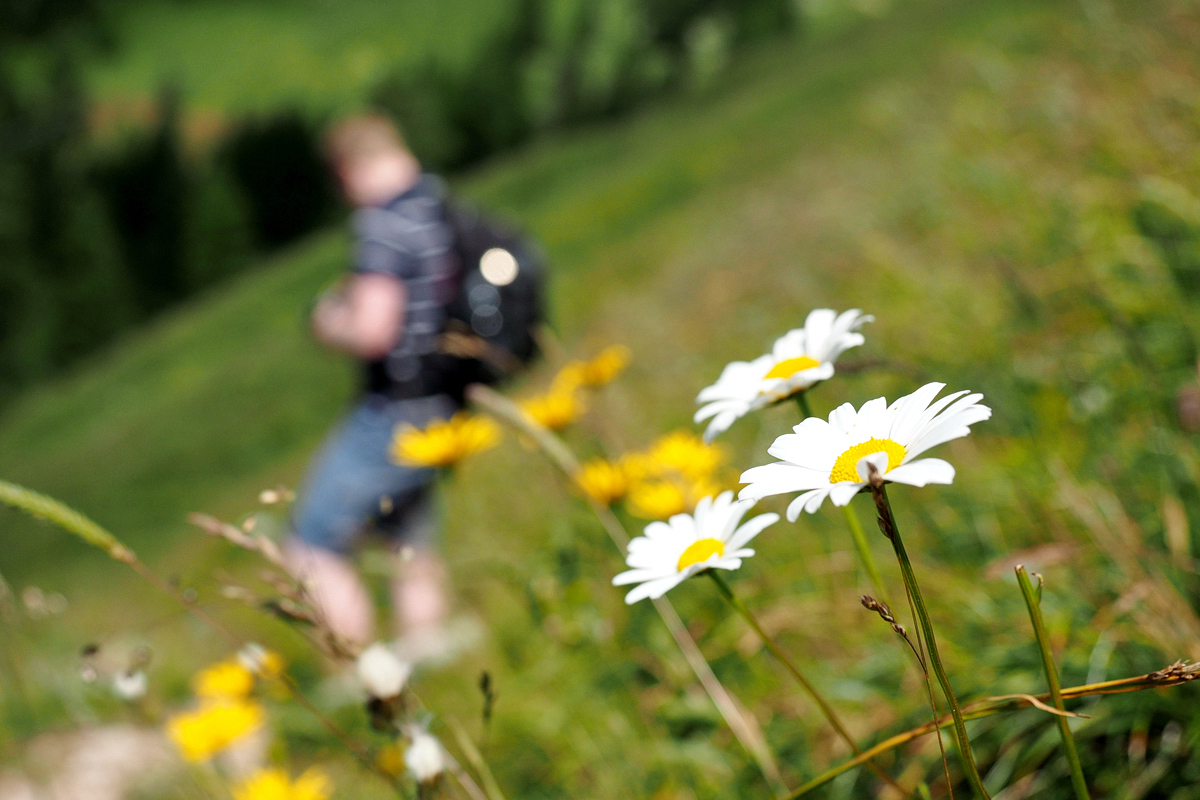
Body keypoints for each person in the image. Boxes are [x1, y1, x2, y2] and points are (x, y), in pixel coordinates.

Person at [285, 115, 461, 651]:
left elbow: (374, 330)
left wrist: (326, 322)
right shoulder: (437, 204)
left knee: (310, 541)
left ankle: (362, 670)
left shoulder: (381, 224)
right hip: (445, 398)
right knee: (405, 537)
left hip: (395, 407)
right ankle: (432, 656)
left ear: (345, 170)